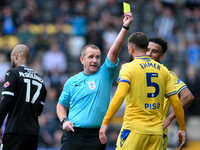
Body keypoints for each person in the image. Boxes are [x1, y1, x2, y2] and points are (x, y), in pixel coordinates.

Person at [56, 12, 133, 150]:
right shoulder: (71, 81)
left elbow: (114, 50)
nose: (95, 60)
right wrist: (64, 120)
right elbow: (61, 105)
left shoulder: (105, 73)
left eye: (97, 57)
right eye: (91, 57)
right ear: (82, 60)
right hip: (72, 134)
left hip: (96, 136)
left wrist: (124, 27)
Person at [99, 32, 186, 150]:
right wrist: (182, 128)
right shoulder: (164, 70)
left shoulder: (128, 68)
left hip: (134, 130)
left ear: (131, 48)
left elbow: (119, 96)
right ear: (146, 49)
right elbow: (176, 101)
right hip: (156, 132)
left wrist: (105, 122)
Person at [146, 37, 194, 150]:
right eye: (147, 50)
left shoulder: (167, 74)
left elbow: (188, 96)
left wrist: (170, 118)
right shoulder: (135, 69)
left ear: (161, 56)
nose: (149, 54)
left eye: (154, 51)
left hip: (150, 129)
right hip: (146, 129)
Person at [0, 44, 47, 150]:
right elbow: (39, 110)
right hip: (33, 133)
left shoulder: (13, 73)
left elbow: (6, 101)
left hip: (15, 130)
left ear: (15, 56)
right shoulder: (40, 79)